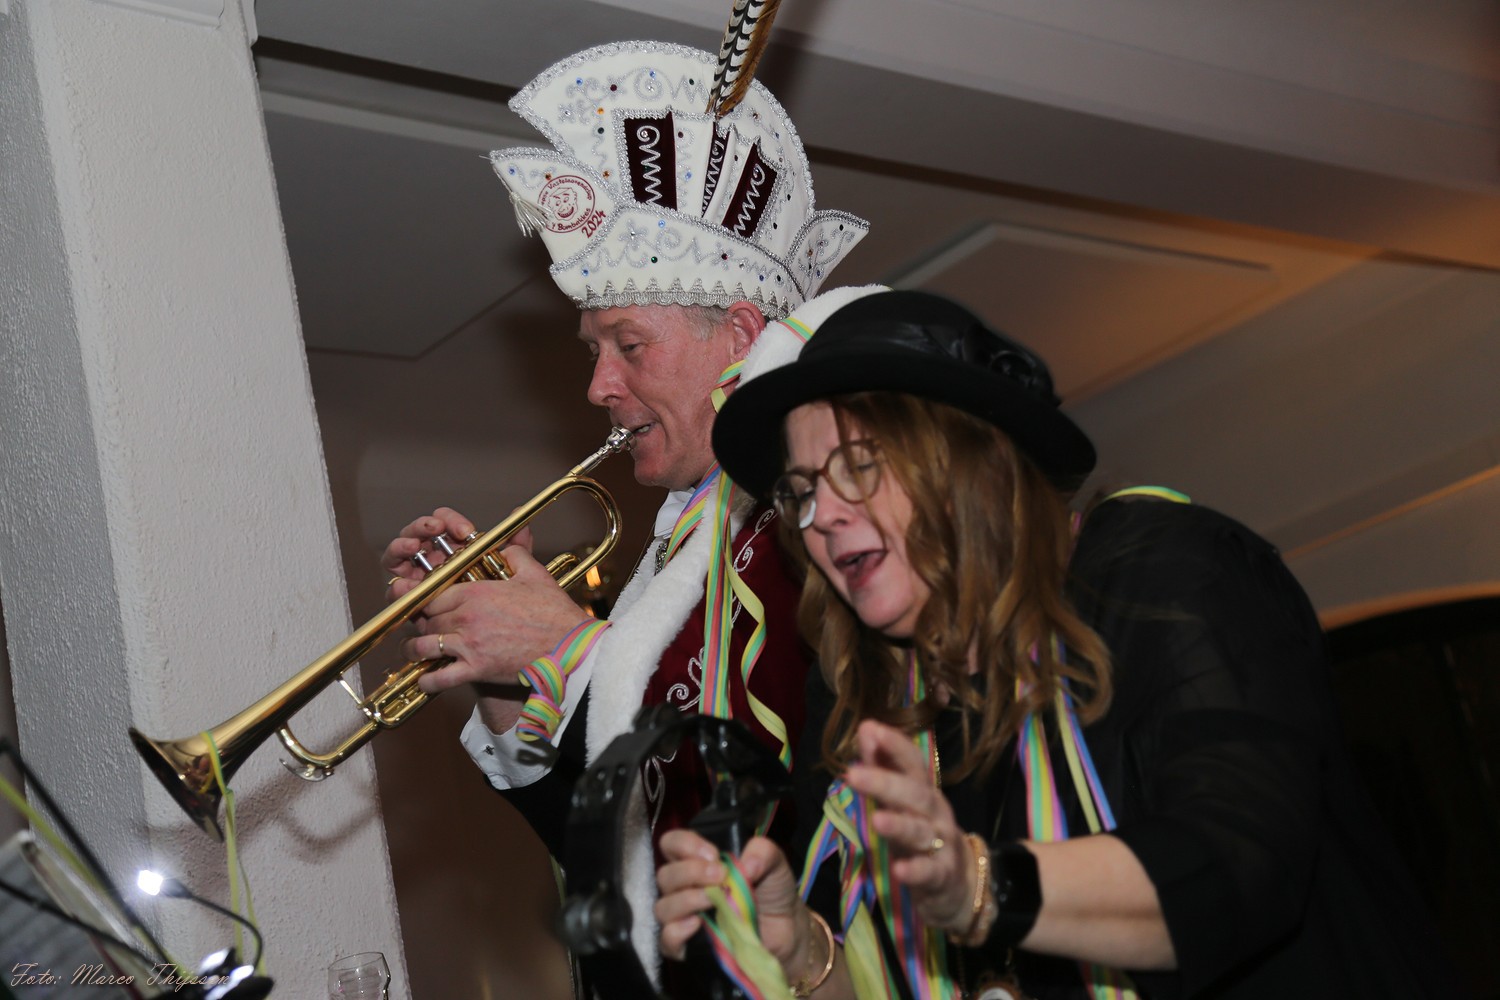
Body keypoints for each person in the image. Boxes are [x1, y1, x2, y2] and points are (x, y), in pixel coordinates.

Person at [655, 290, 1457, 998]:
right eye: (801, 491)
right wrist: (799, 950)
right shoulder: (876, 718)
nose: (821, 515)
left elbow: (1238, 863)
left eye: (858, 466)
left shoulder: (1162, 575)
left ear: (974, 464)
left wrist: (980, 886)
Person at [377, 38, 879, 981]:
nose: (598, 385)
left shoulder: (821, 514)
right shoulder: (676, 551)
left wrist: (567, 645)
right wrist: (504, 668)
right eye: (593, 350)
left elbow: (760, 799)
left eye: (629, 345)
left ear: (740, 340)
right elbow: (608, 853)